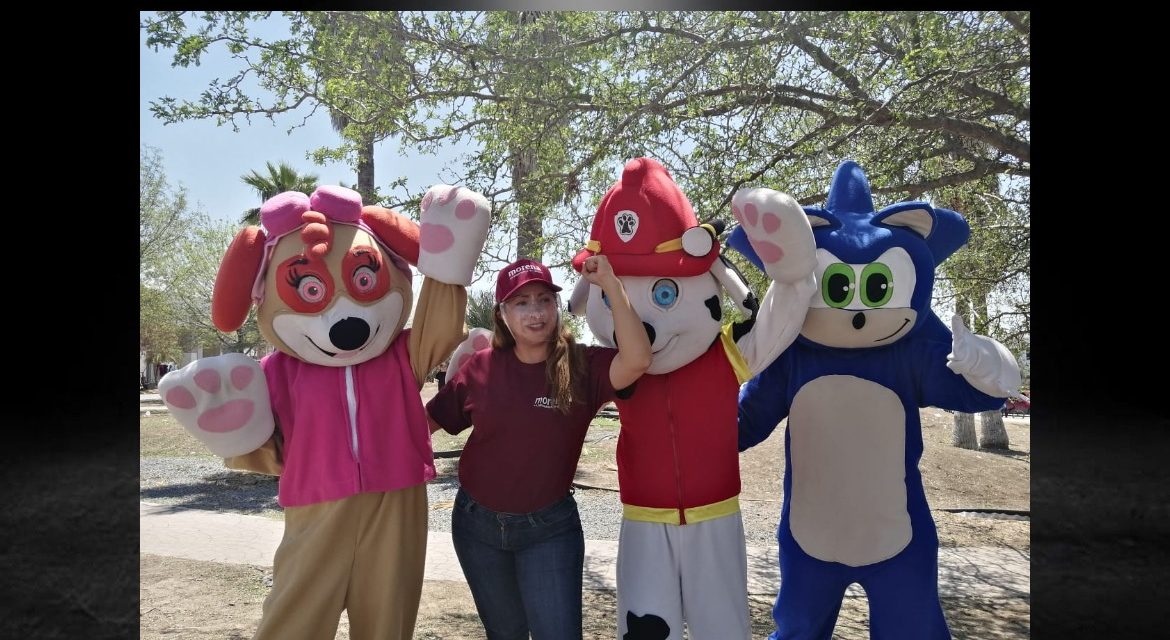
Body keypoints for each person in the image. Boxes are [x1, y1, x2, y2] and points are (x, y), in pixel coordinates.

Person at [426, 255, 650, 640]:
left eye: (544, 299)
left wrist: (611, 285)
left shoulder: (583, 366)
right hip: (476, 527)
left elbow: (638, 358)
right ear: (503, 314)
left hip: (549, 531)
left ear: (556, 306)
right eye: (522, 303)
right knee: (505, 633)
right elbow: (420, 427)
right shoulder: (479, 369)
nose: (535, 313)